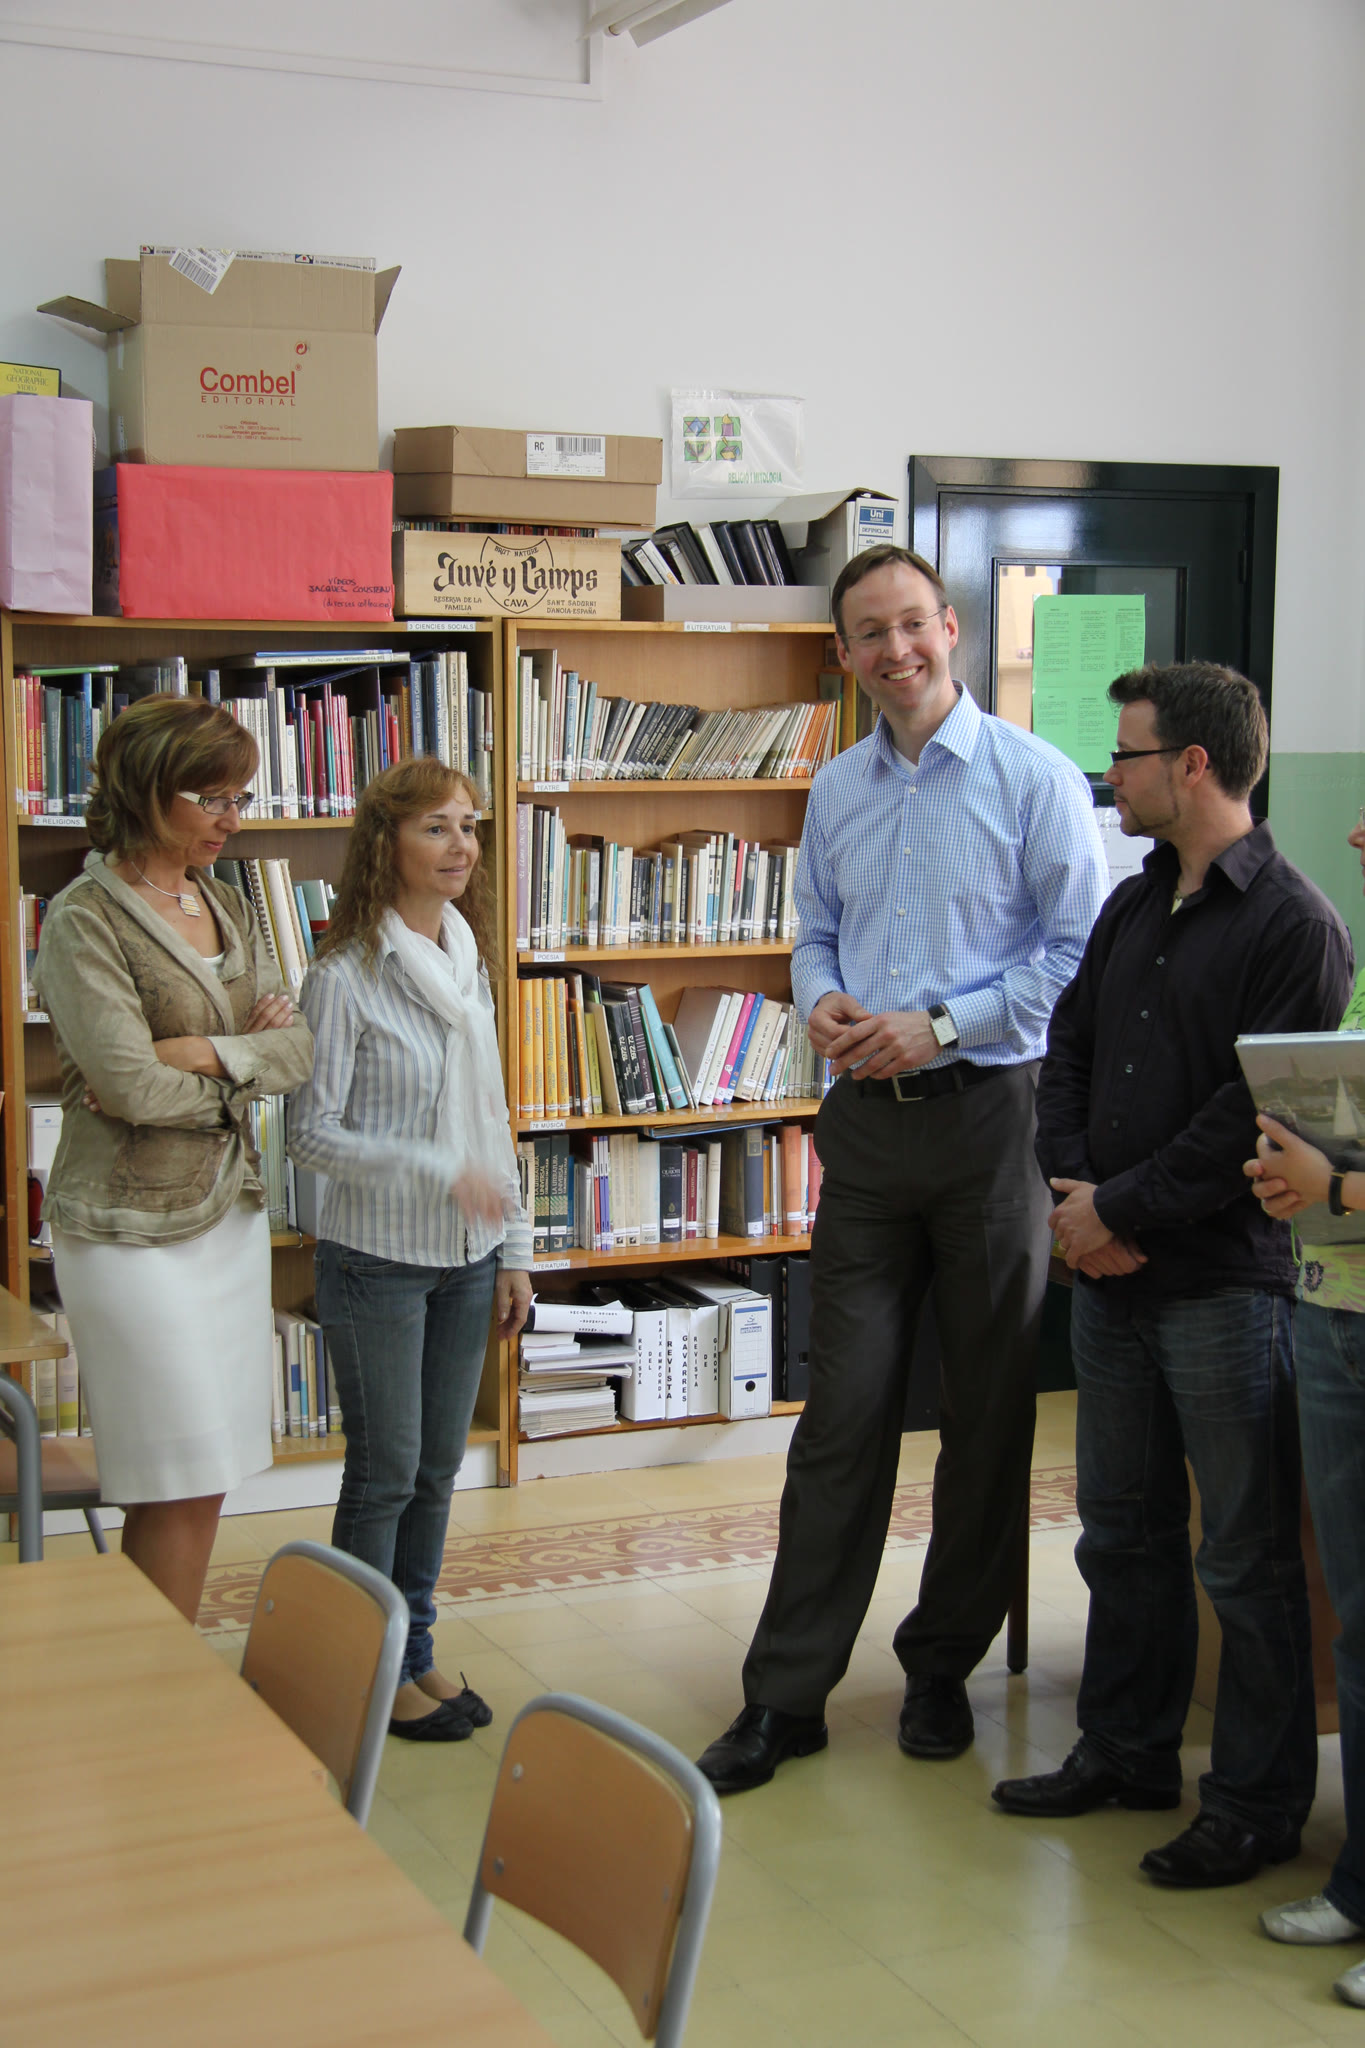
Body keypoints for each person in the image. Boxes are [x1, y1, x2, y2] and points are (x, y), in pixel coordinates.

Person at [695, 543, 1109, 1796]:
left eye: (913, 623)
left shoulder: (1035, 777)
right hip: (867, 1132)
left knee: (985, 1415)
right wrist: (818, 995)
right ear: (843, 655)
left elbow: (1076, 956)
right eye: (869, 633)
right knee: (843, 1413)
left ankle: (941, 1665)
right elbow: (814, 932)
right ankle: (786, 1694)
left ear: (953, 629)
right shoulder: (835, 787)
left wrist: (943, 1022)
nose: (897, 649)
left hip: (993, 1123)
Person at [995, 661, 1353, 1889]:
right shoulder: (1133, 901)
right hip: (1112, 1274)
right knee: (1122, 1531)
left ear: (1193, 764)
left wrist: (1117, 1208)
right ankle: (1127, 1748)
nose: (1112, 776)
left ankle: (1254, 1801)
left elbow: (1251, 1117)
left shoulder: (1295, 925)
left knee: (1243, 1559)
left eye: (1128, 753)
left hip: (1222, 1287)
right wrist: (1076, 1197)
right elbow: (1069, 1050)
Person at [35, 694, 314, 1622]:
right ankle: (154, 1673)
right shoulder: (84, 919)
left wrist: (197, 1051)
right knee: (170, 1472)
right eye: (214, 798)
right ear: (149, 791)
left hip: (226, 1215)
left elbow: (297, 1049)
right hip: (128, 1229)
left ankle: (168, 1663)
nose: (233, 818)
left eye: (241, 797)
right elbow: (129, 1090)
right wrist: (241, 1065)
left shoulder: (223, 900)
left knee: (207, 1474)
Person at [289, 757, 532, 1742]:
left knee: (436, 1470)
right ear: (383, 842)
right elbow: (311, 1135)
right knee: (385, 1471)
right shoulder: (343, 977)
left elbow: (493, 1115)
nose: (460, 845)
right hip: (377, 1259)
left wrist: (514, 1247)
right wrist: (433, 1166)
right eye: (435, 826)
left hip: (469, 1258)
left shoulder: (469, 960)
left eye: (468, 826)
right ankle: (363, 1667)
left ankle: (414, 1649)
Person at [1245, 809, 1365, 2002]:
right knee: (1358, 1622)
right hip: (1338, 1306)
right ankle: (1361, 1882)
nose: (1360, 831)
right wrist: (1300, 1177)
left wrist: (1341, 1186)